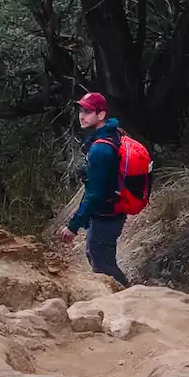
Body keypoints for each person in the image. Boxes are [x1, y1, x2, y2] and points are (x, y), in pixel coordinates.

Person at [58, 91, 130, 287]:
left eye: (88, 111)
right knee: (101, 260)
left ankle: (130, 299)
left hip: (106, 215)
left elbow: (94, 193)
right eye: (81, 110)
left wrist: (73, 226)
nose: (82, 115)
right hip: (114, 210)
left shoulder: (100, 148)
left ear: (101, 115)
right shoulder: (115, 133)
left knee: (102, 265)